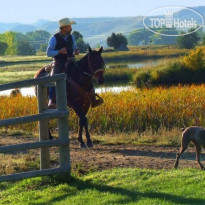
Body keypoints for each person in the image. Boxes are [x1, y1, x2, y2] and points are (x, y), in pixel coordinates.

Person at [46, 17, 103, 109]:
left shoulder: (71, 37)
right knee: (55, 77)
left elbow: (74, 48)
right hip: (59, 62)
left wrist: (75, 51)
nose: (71, 28)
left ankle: (93, 99)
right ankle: (52, 101)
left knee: (86, 74)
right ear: (64, 28)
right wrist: (59, 51)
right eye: (69, 26)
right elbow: (48, 53)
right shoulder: (54, 38)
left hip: (71, 60)